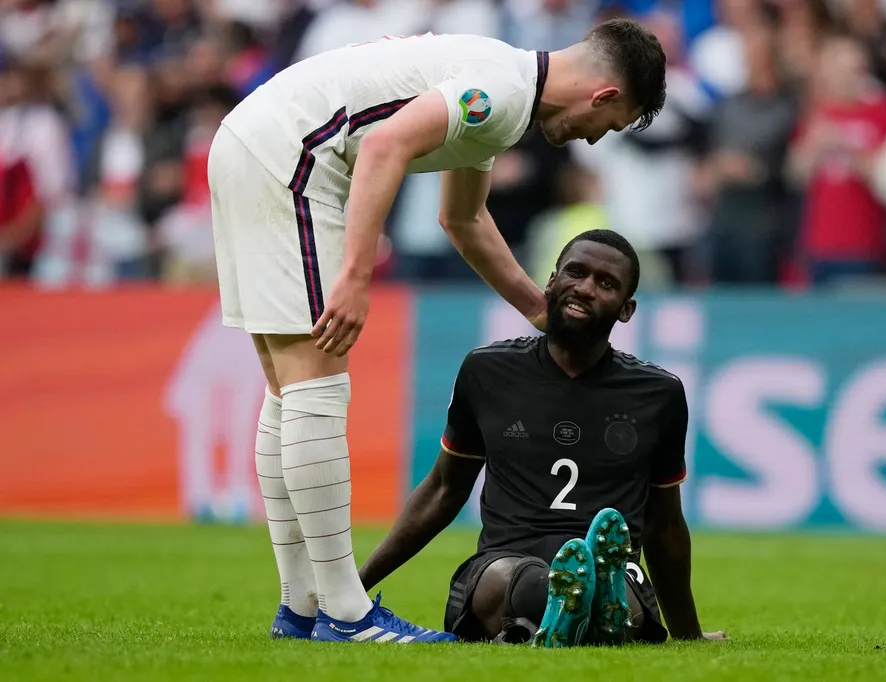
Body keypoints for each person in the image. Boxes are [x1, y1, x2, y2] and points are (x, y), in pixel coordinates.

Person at [209, 22, 667, 644]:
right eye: (608, 126)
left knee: (289, 391)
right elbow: (383, 148)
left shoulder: (502, 94)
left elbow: (463, 217)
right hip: (294, 158)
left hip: (253, 142)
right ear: (605, 95)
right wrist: (355, 276)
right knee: (316, 387)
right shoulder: (500, 90)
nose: (592, 139)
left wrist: (538, 308)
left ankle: (302, 607)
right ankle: (345, 612)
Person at [358, 229, 725, 647]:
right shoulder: (487, 371)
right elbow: (444, 489)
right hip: (506, 559)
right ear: (551, 281)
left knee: (619, 587)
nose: (585, 288)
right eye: (576, 272)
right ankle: (584, 609)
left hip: (616, 571)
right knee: (508, 578)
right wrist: (352, 588)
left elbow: (665, 525)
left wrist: (689, 634)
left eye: (605, 284)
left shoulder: (658, 394)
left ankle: (568, 612)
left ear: (626, 309)